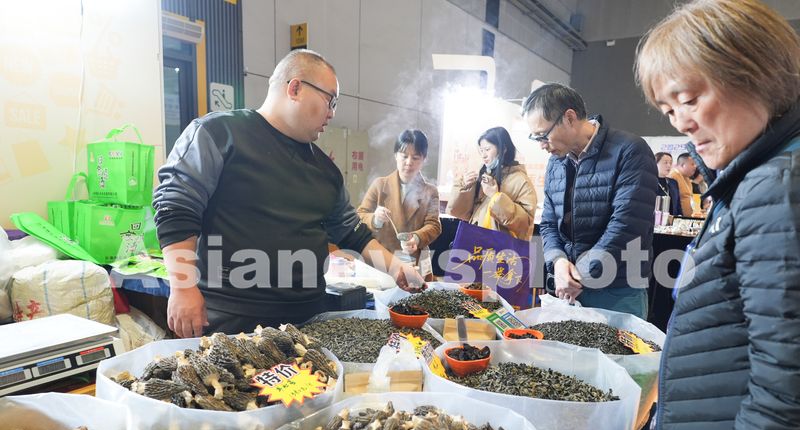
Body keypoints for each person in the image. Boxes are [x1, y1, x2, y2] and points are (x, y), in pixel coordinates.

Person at [636, 0, 800, 430]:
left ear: (757, 73)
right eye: (668, 110)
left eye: (689, 99)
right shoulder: (752, 174)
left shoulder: (776, 187)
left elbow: (786, 390)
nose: (682, 122)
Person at [153, 49, 425, 338]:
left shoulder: (326, 171)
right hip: (230, 320)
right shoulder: (219, 134)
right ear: (295, 88)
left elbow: (352, 233)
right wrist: (183, 287)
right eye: (330, 100)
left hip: (306, 323)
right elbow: (176, 207)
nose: (332, 113)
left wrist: (396, 268)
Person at [522, 83, 658, 319]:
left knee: (620, 345)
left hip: (617, 288)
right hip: (568, 285)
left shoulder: (629, 151)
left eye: (543, 135)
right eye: (536, 138)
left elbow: (627, 225)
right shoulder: (556, 162)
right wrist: (558, 261)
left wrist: (581, 275)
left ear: (569, 118)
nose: (542, 145)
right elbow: (549, 223)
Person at [356, 129, 441, 279]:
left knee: (417, 292)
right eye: (404, 156)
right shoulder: (380, 185)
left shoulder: (430, 191)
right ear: (396, 155)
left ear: (424, 159)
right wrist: (375, 219)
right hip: (383, 262)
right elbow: (360, 215)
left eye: (415, 157)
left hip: (415, 261)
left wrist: (416, 238)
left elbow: (434, 225)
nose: (409, 162)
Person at [447, 126, 537, 240]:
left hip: (501, 248)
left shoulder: (521, 181)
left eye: (487, 149)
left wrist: (496, 197)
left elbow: (525, 224)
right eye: (481, 150)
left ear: (503, 149)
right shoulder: (485, 175)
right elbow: (460, 213)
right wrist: (464, 187)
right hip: (477, 244)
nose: (483, 155)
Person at [655, 152, 682, 216]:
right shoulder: (649, 181)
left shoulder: (673, 182)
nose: (669, 165)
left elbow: (678, 205)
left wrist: (680, 216)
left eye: (670, 163)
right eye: (665, 162)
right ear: (655, 164)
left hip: (671, 219)